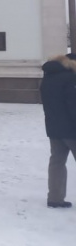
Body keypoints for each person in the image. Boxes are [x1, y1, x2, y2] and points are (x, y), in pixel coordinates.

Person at [40, 53, 76, 208]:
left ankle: (55, 197)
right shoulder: (70, 79)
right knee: (57, 162)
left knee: (57, 163)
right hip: (71, 129)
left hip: (54, 128)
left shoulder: (47, 78)